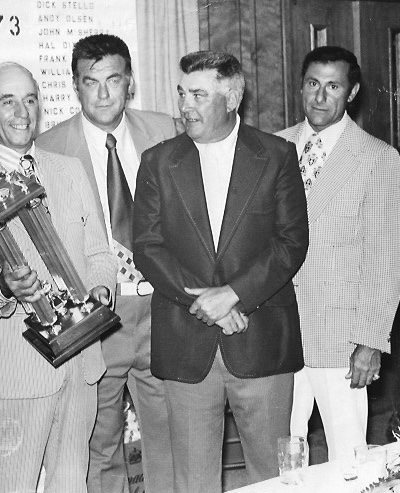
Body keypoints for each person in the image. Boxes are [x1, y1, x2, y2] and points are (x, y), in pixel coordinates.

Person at [133, 50, 309, 492]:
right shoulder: (157, 161)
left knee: (272, 478)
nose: (185, 106)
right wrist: (205, 302)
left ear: (232, 97)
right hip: (185, 342)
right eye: (181, 94)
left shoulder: (277, 155)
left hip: (261, 339)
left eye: (198, 95)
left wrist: (232, 294)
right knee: (192, 482)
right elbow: (147, 247)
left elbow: (291, 243)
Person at [0, 62, 115, 493]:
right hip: (12, 376)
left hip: (80, 365)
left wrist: (100, 290)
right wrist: (4, 287)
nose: (22, 112)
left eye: (30, 99)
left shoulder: (68, 169)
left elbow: (99, 254)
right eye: (8, 101)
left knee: (72, 486)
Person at [36, 33, 176, 493]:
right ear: (75, 86)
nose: (102, 93)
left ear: (129, 82)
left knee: (168, 442)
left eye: (112, 80)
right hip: (97, 319)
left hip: (161, 312)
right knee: (99, 446)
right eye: (89, 82)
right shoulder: (48, 147)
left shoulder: (165, 130)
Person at [276, 46, 400, 462]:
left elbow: (385, 260)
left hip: (340, 337)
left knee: (348, 459)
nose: (319, 96)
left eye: (333, 87)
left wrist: (370, 341)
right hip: (277, 333)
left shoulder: (377, 158)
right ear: (301, 86)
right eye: (313, 83)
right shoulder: (272, 147)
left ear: (352, 92)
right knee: (282, 453)